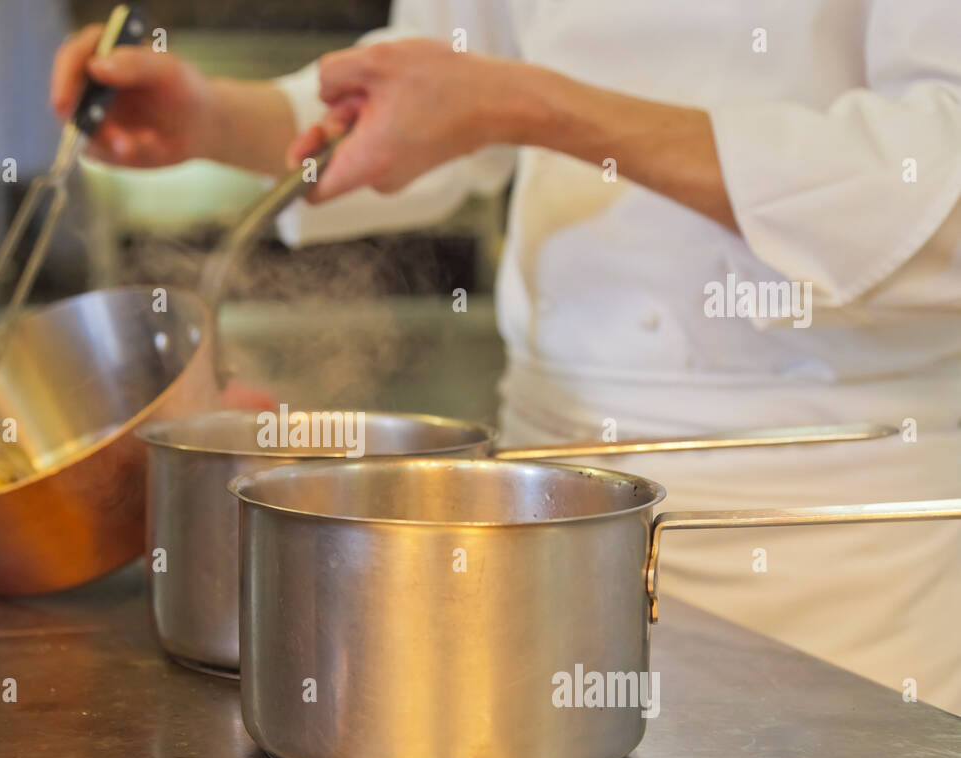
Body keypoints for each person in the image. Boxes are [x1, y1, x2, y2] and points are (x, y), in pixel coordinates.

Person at [52, 0, 961, 714]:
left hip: (834, 530)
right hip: (549, 500)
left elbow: (940, 162)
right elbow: (439, 82)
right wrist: (216, 118)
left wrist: (533, 104)